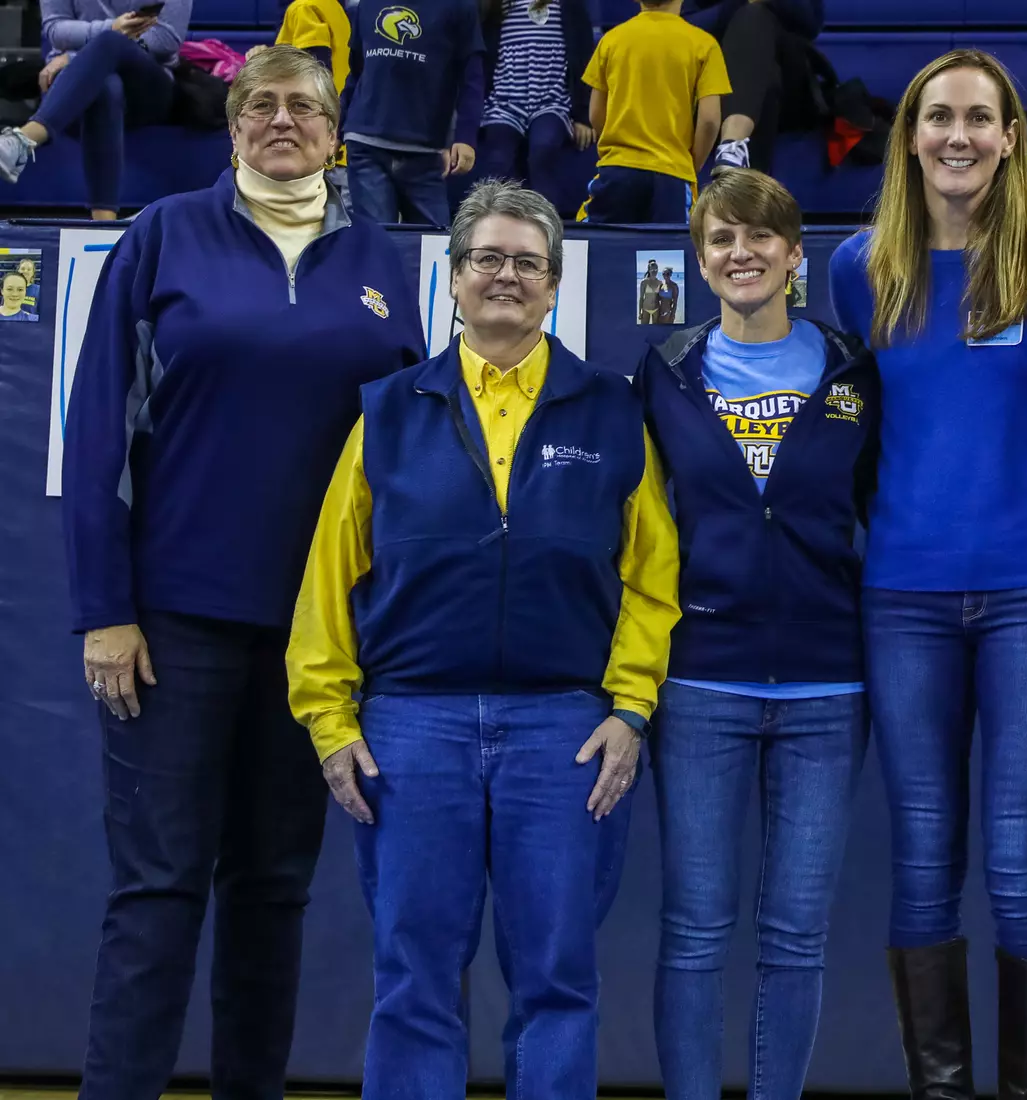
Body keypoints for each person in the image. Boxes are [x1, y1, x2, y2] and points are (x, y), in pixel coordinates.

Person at [59, 46, 425, 1100]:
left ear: (334, 133)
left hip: (319, 636)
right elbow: (95, 436)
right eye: (258, 103)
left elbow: (405, 450)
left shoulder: (380, 257)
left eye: (302, 106)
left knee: (272, 891)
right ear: (231, 127)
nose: (280, 119)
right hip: (172, 627)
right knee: (159, 889)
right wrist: (104, 611)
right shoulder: (164, 234)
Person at [287, 178, 680, 1099]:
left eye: (527, 263)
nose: (506, 276)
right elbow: (327, 580)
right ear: (454, 279)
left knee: (557, 982)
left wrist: (630, 707)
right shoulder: (386, 412)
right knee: (415, 981)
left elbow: (652, 578)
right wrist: (329, 720)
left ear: (553, 285)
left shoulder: (612, 411)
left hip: (565, 734)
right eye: (487, 259)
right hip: (411, 733)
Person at [827, 48, 1027, 1098]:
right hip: (901, 594)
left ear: (1010, 136)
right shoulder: (860, 267)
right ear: (909, 136)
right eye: (937, 116)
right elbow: (853, 439)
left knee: (1018, 857)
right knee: (922, 857)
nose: (957, 135)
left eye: (978, 119)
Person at [634, 167, 879, 1100]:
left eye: (759, 238)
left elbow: (876, 506)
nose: (742, 254)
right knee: (696, 927)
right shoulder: (664, 375)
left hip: (827, 686)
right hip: (700, 683)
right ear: (700, 261)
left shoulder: (854, 371)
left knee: (796, 931)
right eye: (721, 241)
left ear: (792, 254)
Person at [0, 0, 194, 220]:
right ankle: (103, 223)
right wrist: (109, 29)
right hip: (75, 88)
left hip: (148, 89)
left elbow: (165, 40)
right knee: (106, 85)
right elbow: (56, 29)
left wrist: (78, 55)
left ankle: (24, 139)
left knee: (110, 42)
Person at [577, 0, 730, 224]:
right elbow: (709, 120)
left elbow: (595, 114)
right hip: (672, 173)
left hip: (618, 169)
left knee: (597, 245)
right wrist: (691, 164)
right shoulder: (704, 44)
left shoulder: (611, 40)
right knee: (671, 251)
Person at [339, 0, 483, 225]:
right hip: (366, 144)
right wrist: (336, 128)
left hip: (425, 152)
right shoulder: (366, 4)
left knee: (435, 245)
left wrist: (466, 137)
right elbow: (356, 74)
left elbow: (472, 79)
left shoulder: (460, 6)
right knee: (378, 244)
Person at [476, 0, 596, 215]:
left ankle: (547, 226)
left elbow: (585, 56)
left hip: (551, 100)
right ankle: (500, 223)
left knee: (543, 148)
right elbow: (482, 60)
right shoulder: (496, 5)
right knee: (498, 158)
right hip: (505, 101)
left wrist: (582, 115)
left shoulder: (567, 5)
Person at [685, 0, 823, 174]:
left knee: (754, 17)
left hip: (791, 87)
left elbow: (811, 21)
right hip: (713, 85)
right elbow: (677, 28)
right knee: (766, 80)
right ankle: (736, 160)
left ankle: (733, 145)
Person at [248, 0, 352, 201]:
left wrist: (262, 65)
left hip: (323, 148)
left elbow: (313, 77)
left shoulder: (304, 8)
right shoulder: (334, 7)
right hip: (340, 144)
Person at [640, 257, 663, 322]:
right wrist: (640, 311)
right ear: (649, 270)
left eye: (656, 269)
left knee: (655, 330)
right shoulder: (644, 282)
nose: (654, 271)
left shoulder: (660, 282)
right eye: (652, 269)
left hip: (656, 309)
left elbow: (661, 298)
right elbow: (641, 298)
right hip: (645, 309)